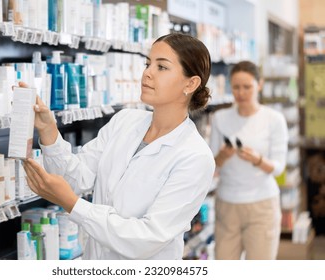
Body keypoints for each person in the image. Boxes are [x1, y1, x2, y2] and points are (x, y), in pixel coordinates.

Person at [22, 33, 216, 260]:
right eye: (147, 63)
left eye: (162, 67)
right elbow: (76, 178)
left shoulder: (195, 157)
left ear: (190, 83)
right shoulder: (124, 121)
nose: (147, 73)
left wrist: (73, 205)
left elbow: (146, 239)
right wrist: (49, 131)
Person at [209, 60, 288, 260]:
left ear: (259, 85)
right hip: (227, 204)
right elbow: (211, 165)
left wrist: (258, 159)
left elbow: (278, 168)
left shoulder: (274, 119)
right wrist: (223, 156)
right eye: (236, 87)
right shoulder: (220, 118)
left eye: (247, 87)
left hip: (262, 205)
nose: (241, 93)